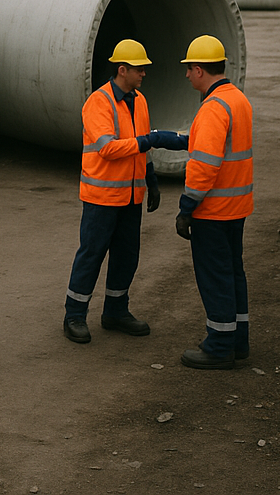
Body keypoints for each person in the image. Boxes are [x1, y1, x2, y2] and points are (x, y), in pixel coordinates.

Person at [63, 39, 187, 344]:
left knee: (126, 256)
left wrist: (151, 179)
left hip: (131, 198)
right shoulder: (98, 102)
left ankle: (116, 311)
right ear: (122, 70)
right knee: (91, 255)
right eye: (139, 69)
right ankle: (74, 315)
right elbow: (108, 148)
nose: (144, 74)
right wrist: (153, 140)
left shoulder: (139, 101)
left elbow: (138, 147)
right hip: (102, 199)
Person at [175, 35, 254, 370]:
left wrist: (186, 208)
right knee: (233, 273)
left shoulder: (212, 108)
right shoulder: (238, 100)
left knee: (215, 278)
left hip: (213, 211)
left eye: (189, 70)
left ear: (199, 70)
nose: (187, 76)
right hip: (237, 208)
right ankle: (238, 341)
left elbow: (204, 167)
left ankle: (219, 346)